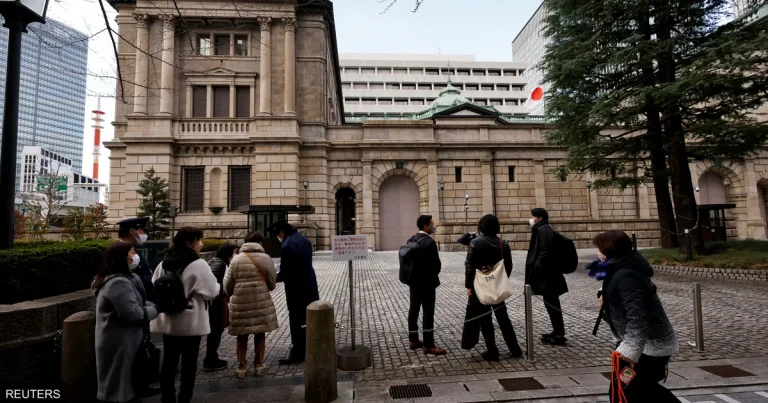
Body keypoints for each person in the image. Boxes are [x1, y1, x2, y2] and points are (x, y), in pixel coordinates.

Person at [593, 230, 680, 403]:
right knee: (633, 389)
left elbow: (638, 318)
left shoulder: (626, 276)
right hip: (641, 346)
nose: (597, 252)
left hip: (650, 348)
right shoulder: (621, 269)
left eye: (599, 248)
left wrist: (629, 352)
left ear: (609, 250)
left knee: (627, 389)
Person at [150, 228, 219, 403]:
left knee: (169, 362)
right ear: (189, 243)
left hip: (169, 320)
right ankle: (184, 398)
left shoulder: (163, 263)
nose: (200, 243)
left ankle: (167, 398)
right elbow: (212, 291)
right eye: (198, 240)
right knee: (189, 364)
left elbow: (154, 284)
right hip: (190, 322)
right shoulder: (198, 264)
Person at [93, 242, 159, 403]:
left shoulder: (123, 278)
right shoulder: (118, 283)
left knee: (126, 380)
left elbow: (137, 303)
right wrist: (155, 309)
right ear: (121, 258)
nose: (135, 257)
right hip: (120, 341)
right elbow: (133, 314)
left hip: (124, 339)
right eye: (132, 253)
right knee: (120, 385)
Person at [462, 214, 522, 361]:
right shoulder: (503, 243)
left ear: (482, 226)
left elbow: (469, 267)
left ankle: (492, 351)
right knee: (503, 318)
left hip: (480, 286)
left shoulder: (475, 243)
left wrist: (469, 286)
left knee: (485, 319)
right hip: (497, 286)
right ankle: (515, 349)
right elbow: (508, 266)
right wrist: (501, 280)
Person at [224, 232, 279, 378]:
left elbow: (228, 284)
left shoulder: (236, 259)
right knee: (259, 333)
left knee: (241, 335)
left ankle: (242, 367)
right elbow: (272, 283)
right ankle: (258, 365)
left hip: (240, 302)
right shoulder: (266, 258)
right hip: (260, 300)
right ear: (260, 242)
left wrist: (231, 293)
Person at [267, 219, 319, 365]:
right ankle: (311, 346)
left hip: (296, 288)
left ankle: (298, 352)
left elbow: (286, 272)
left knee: (296, 320)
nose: (278, 238)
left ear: (282, 232)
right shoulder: (304, 240)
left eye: (277, 235)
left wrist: (271, 279)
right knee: (308, 317)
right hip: (309, 284)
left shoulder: (288, 245)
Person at [525, 207, 569, 346]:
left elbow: (545, 253)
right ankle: (557, 331)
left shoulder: (544, 231)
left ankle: (559, 335)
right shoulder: (542, 229)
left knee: (553, 304)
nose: (531, 219)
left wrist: (537, 269)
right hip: (548, 275)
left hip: (548, 276)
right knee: (550, 304)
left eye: (533, 216)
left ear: (540, 218)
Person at [406, 215, 447, 355]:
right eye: (432, 224)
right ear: (425, 226)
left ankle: (413, 340)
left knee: (413, 310)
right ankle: (429, 344)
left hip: (413, 282)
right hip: (427, 283)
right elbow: (436, 265)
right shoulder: (430, 243)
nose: (433, 226)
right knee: (428, 313)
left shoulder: (411, 239)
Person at [203, 243, 238, 372]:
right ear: (228, 254)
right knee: (215, 331)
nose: (236, 255)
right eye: (234, 252)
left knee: (215, 331)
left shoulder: (217, 262)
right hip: (216, 303)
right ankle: (210, 359)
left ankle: (212, 357)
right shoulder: (220, 264)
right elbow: (213, 283)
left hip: (216, 302)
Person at [117, 217, 154, 293]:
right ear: (133, 231)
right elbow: (128, 278)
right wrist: (154, 280)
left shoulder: (132, 248)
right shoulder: (119, 252)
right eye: (142, 230)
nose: (144, 233)